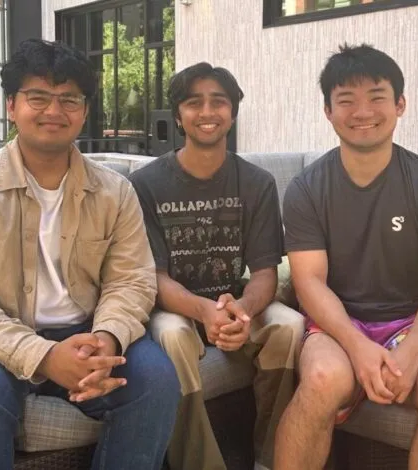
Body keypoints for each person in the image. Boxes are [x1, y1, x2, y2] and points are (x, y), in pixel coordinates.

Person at [0, 39, 180, 470]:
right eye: (39, 97)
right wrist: (45, 357)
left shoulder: (115, 192)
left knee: (156, 381)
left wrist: (107, 337)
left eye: (68, 99)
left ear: (85, 110)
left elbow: (132, 280)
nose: (54, 111)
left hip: (86, 332)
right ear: (12, 105)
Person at [274, 43, 418, 470]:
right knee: (324, 379)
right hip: (337, 323)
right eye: (346, 100)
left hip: (410, 321)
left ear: (400, 104)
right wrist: (357, 346)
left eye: (377, 97)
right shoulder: (307, 189)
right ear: (328, 111)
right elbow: (309, 281)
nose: (362, 111)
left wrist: (414, 351)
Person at [129, 62, 304, 470]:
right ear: (178, 116)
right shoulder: (146, 184)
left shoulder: (257, 183)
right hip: (174, 307)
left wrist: (241, 310)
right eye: (195, 103)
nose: (207, 112)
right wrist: (204, 311)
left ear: (233, 112)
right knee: (171, 337)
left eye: (218, 102)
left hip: (234, 299)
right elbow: (154, 277)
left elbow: (263, 271)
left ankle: (271, 459)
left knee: (289, 326)